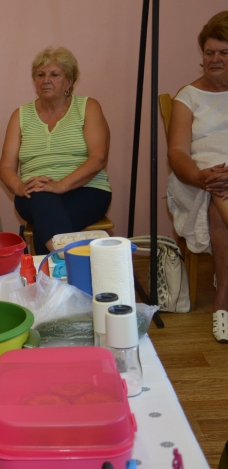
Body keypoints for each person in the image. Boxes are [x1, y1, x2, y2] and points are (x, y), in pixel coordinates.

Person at [0, 47, 112, 255]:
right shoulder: (21, 115)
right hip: (32, 193)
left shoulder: (88, 107)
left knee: (46, 220)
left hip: (87, 190)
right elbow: (6, 166)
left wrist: (60, 185)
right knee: (42, 199)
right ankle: (70, 264)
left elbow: (99, 158)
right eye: (40, 75)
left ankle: (55, 271)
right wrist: (20, 186)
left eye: (54, 74)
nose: (46, 80)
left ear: (69, 81)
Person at [166, 11, 228, 343]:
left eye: (224, 52)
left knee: (221, 202)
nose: (215, 59)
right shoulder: (187, 96)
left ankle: (224, 303)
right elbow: (176, 153)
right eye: (209, 52)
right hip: (197, 179)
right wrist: (203, 178)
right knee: (219, 194)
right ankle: (224, 303)